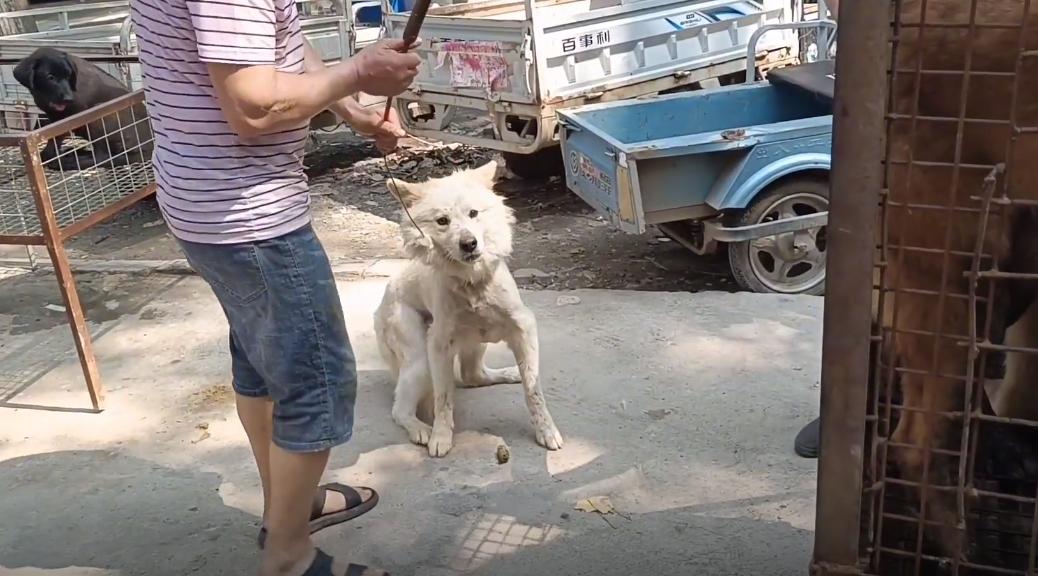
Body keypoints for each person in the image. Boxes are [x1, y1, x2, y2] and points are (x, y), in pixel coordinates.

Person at [129, 0, 421, 574]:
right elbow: (255, 107)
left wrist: (348, 105)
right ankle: (289, 554)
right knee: (316, 384)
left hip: (205, 199)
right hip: (248, 215)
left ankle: (289, 504)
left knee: (263, 363)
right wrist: (359, 72)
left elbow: (272, 45)